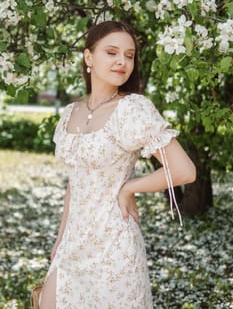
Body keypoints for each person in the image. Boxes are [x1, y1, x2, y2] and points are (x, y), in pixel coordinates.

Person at [39, 20, 196, 309]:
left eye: (129, 55)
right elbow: (75, 184)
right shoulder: (70, 112)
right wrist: (60, 239)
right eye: (112, 52)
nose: (122, 61)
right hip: (73, 246)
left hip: (115, 247)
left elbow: (185, 170)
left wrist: (129, 188)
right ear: (89, 57)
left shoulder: (133, 109)